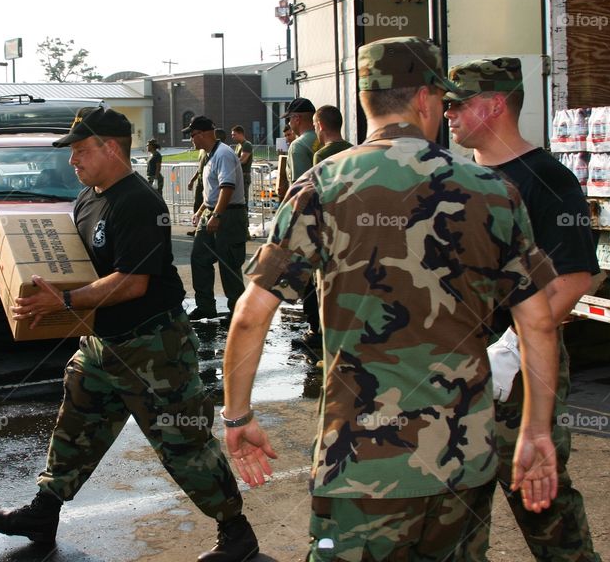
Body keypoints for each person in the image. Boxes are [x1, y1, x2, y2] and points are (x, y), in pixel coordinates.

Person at [220, 37, 562, 561]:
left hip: (360, 471)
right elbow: (538, 323)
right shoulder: (494, 191)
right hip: (462, 465)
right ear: (425, 99)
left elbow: (251, 316)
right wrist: (537, 430)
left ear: (364, 100)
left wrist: (238, 416)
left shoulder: (321, 187)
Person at [0, 107, 259, 561]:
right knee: (76, 425)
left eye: (81, 151)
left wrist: (66, 303)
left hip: (153, 347)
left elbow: (134, 281)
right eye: (71, 153)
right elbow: (83, 268)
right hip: (102, 343)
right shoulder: (88, 199)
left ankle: (236, 532)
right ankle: (43, 512)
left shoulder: (140, 203)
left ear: (112, 148)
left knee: (183, 441)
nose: (73, 161)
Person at [445, 57, 601, 561]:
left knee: (543, 510)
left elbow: (575, 277)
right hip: (465, 372)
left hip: (520, 375)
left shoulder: (547, 178)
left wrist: (510, 348)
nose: (447, 112)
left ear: (493, 105)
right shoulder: (465, 178)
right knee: (457, 514)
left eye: (458, 103)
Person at [293, 105, 351, 353]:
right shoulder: (352, 150)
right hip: (351, 224)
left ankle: (320, 334)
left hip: (327, 227)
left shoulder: (321, 155)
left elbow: (313, 194)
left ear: (320, 126)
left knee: (320, 286)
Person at [186, 116, 248, 321]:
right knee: (199, 257)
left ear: (202, 134)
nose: (191, 140)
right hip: (213, 212)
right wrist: (202, 210)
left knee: (228, 263)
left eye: (192, 135)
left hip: (228, 214)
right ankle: (205, 306)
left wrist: (217, 215)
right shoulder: (210, 155)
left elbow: (227, 187)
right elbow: (213, 191)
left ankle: (238, 310)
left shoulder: (223, 154)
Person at [283, 97, 317, 183]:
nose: (289, 123)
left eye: (289, 119)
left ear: (297, 119)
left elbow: (299, 187)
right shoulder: (326, 138)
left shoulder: (297, 145)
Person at [231, 125, 254, 206]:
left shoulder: (247, 144)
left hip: (244, 176)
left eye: (234, 135)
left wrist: (230, 165)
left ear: (241, 134)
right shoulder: (238, 146)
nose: (232, 137)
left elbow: (243, 160)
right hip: (239, 176)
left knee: (243, 200)